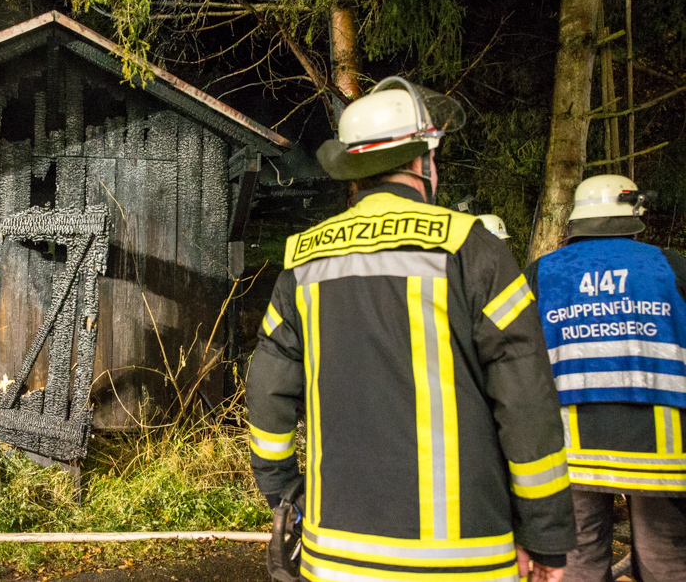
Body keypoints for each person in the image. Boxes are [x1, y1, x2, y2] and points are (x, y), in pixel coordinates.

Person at [247, 77, 575, 582]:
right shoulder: (472, 249)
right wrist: (545, 536)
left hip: (336, 557)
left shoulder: (303, 261)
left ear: (353, 171)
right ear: (423, 163)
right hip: (463, 559)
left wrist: (283, 492)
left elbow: (268, 392)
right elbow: (526, 402)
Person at [524, 174, 686, 582]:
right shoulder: (669, 266)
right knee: (665, 555)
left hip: (572, 449)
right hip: (663, 448)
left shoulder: (542, 273)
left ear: (576, 222)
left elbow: (517, 357)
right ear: (633, 216)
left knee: (578, 559)